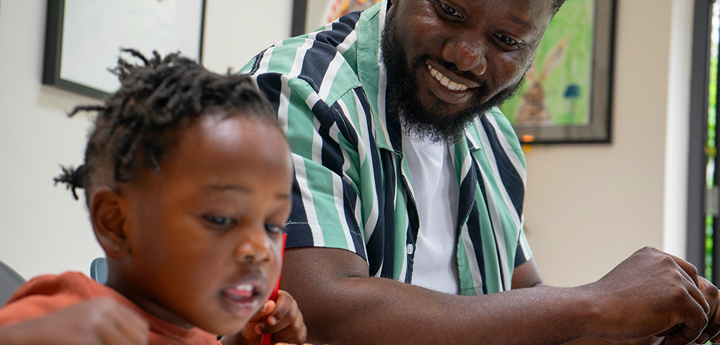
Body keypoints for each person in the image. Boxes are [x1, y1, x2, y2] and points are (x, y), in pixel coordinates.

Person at [240, 0, 720, 344]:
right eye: (449, 11)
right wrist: (598, 302)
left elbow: (525, 305)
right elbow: (323, 314)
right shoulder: (298, 92)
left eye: (506, 40)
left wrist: (639, 326)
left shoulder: (495, 139)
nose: (465, 57)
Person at [0, 50, 307, 345]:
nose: (260, 250)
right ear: (117, 223)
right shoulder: (71, 314)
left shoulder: (194, 331)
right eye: (221, 219)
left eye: (272, 225)